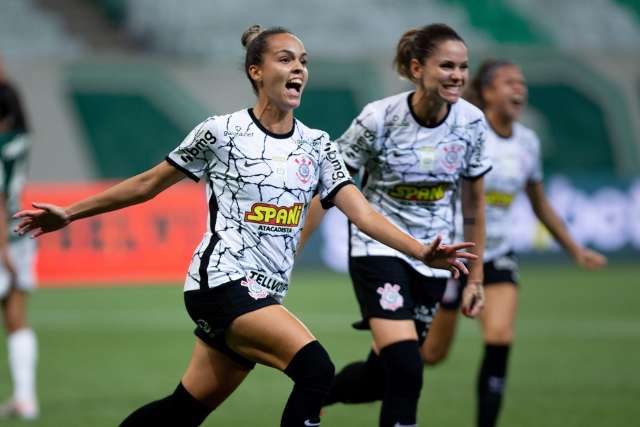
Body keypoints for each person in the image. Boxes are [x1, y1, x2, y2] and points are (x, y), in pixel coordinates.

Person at [14, 26, 478, 427]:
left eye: (304, 61)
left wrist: (419, 251)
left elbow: (362, 212)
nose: (298, 69)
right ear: (256, 71)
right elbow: (147, 184)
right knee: (316, 369)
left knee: (184, 410)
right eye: (285, 59)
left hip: (263, 292)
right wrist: (70, 214)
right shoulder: (222, 131)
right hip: (219, 282)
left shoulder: (317, 146)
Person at [299, 23, 490, 427]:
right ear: (417, 68)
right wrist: (294, 245)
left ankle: (317, 396)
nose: (457, 75)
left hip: (436, 260)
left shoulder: (472, 123)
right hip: (378, 250)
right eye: (447, 66)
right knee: (407, 367)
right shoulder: (378, 119)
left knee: (380, 378)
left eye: (463, 67)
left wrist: (475, 278)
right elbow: (329, 188)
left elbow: (474, 201)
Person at [421, 59, 608, 427]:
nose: (519, 89)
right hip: (453, 256)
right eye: (509, 83)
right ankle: (338, 389)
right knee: (430, 354)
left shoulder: (526, 142)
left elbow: (538, 202)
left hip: (498, 254)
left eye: (522, 83)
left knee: (500, 337)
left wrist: (574, 248)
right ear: (488, 92)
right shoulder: (467, 132)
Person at [0, 57, 39, 420]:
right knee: (16, 318)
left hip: (2, 240)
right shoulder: (21, 139)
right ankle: (26, 399)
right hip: (19, 234)